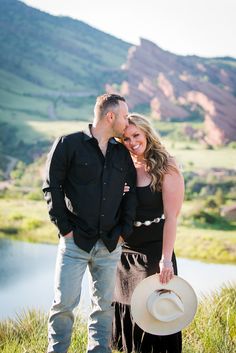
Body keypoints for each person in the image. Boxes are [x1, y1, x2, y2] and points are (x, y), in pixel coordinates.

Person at [42, 94, 137, 353]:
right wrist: (65, 230)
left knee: (103, 306)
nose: (127, 122)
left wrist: (122, 232)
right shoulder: (68, 144)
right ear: (110, 116)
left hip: (110, 243)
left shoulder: (121, 153)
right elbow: (52, 187)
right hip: (75, 243)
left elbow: (131, 196)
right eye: (125, 116)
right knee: (64, 305)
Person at [112, 113, 184, 353]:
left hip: (154, 253)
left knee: (151, 316)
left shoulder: (166, 166)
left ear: (146, 133)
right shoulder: (122, 166)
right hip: (124, 254)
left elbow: (171, 217)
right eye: (126, 138)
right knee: (125, 314)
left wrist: (166, 259)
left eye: (136, 135)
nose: (132, 142)